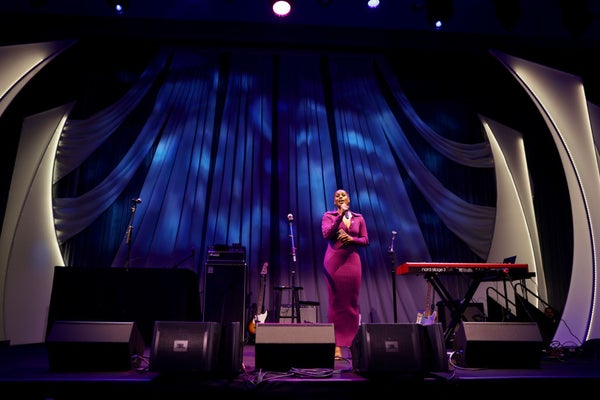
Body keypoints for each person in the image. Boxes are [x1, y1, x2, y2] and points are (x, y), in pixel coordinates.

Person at [321, 189, 369, 359]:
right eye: (337, 196)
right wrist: (340, 216)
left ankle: (353, 343)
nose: (340, 197)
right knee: (336, 302)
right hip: (334, 261)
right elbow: (327, 233)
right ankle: (336, 345)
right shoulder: (329, 216)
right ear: (335, 201)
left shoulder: (359, 217)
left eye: (343, 195)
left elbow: (365, 239)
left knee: (352, 302)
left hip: (352, 262)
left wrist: (352, 239)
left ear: (349, 198)